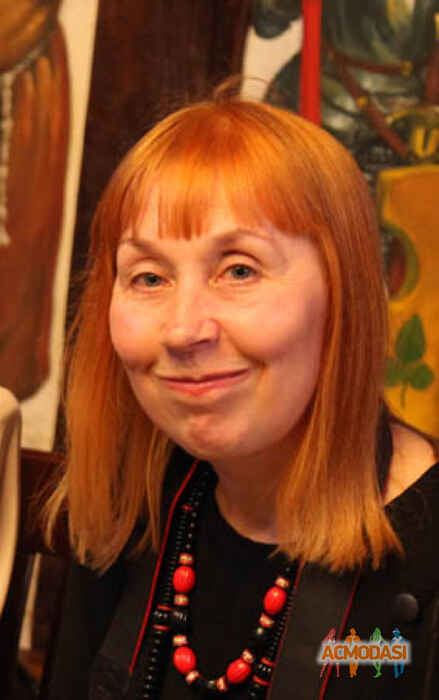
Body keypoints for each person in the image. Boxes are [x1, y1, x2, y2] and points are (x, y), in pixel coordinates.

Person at [45, 81, 439, 700]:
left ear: (343, 296)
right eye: (149, 277)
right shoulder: (131, 507)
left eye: (238, 270)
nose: (183, 330)